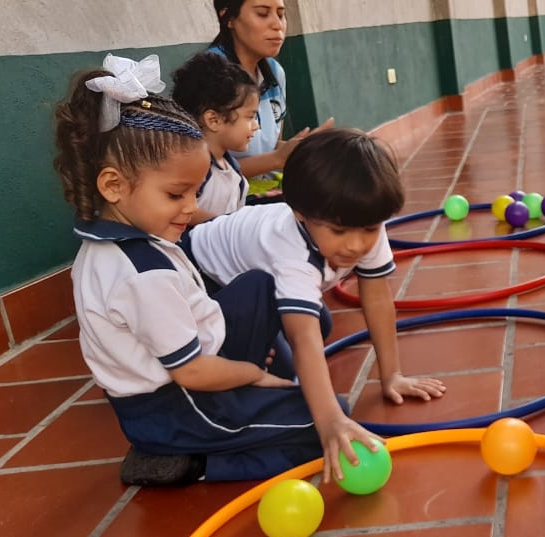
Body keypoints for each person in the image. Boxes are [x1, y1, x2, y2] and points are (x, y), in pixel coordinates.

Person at [53, 54, 361, 486]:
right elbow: (192, 372)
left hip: (203, 357)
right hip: (179, 406)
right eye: (177, 195)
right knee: (327, 422)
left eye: (193, 192)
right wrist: (253, 375)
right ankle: (191, 463)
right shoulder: (142, 274)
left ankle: (273, 385)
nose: (193, 208)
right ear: (113, 186)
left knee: (261, 285)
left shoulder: (131, 236)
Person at [182, 129, 447, 455]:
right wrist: (330, 420)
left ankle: (250, 350)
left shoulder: (366, 226)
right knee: (296, 372)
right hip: (199, 281)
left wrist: (391, 375)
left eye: (369, 229)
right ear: (300, 214)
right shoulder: (290, 249)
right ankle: (221, 397)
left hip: (248, 287)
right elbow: (302, 338)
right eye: (338, 231)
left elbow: (378, 299)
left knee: (318, 321)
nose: (355, 244)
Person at [206, 0, 331, 180]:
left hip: (266, 189)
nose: (277, 25)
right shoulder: (210, 74)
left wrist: (304, 149)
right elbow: (204, 170)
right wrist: (276, 160)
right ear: (228, 17)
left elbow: (270, 146)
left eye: (281, 15)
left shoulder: (274, 72)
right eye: (262, 14)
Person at [172, 52, 259, 224]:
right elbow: (179, 209)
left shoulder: (235, 176)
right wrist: (224, 227)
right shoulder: (193, 170)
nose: (256, 125)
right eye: (250, 117)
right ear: (214, 120)